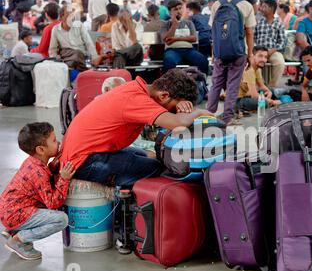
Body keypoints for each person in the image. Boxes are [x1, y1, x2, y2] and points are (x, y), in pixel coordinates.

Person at [60, 69, 212, 188]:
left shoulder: (135, 88)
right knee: (159, 169)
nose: (171, 112)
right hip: (84, 162)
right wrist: (199, 112)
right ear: (164, 95)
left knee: (149, 155)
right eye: (172, 108)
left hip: (86, 152)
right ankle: (135, 209)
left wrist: (177, 108)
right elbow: (177, 123)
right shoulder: (136, 100)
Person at [0, 122, 75, 260]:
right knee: (61, 219)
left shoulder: (34, 162)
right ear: (40, 149)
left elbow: (42, 186)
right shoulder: (38, 172)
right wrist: (63, 179)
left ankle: (13, 229)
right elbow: (53, 203)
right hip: (15, 213)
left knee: (43, 204)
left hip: (10, 210)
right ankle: (19, 240)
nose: (58, 142)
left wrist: (52, 169)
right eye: (53, 140)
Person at [206, 0, 256, 126]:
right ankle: (227, 117)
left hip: (220, 52)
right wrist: (250, 54)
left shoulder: (217, 4)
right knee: (233, 85)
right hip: (238, 51)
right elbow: (249, 32)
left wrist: (214, 53)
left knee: (216, 83)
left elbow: (214, 32)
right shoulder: (246, 5)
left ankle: (208, 115)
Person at [160, 0, 208, 75]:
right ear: (170, 12)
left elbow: (193, 38)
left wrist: (176, 39)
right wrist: (174, 24)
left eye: (180, 8)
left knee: (203, 60)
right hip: (172, 50)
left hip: (189, 50)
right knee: (168, 61)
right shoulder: (165, 24)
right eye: (175, 9)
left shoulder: (189, 23)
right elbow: (166, 39)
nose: (179, 11)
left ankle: (201, 83)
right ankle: (170, 84)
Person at [235, 46, 281, 117]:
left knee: (272, 91)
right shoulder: (249, 70)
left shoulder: (257, 68)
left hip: (247, 96)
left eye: (265, 57)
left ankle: (269, 103)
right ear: (253, 56)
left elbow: (261, 86)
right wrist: (272, 101)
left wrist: (269, 92)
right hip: (237, 101)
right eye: (260, 56)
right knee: (264, 103)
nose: (263, 59)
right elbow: (254, 95)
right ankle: (241, 108)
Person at [254, 0, 287, 87]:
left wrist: (273, 50)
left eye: (264, 7)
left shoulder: (279, 24)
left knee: (279, 62)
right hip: (259, 51)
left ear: (272, 9)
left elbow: (282, 42)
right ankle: (258, 86)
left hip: (273, 51)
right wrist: (257, 50)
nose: (261, 8)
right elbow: (253, 38)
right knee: (252, 61)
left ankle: (271, 87)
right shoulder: (259, 22)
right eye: (262, 6)